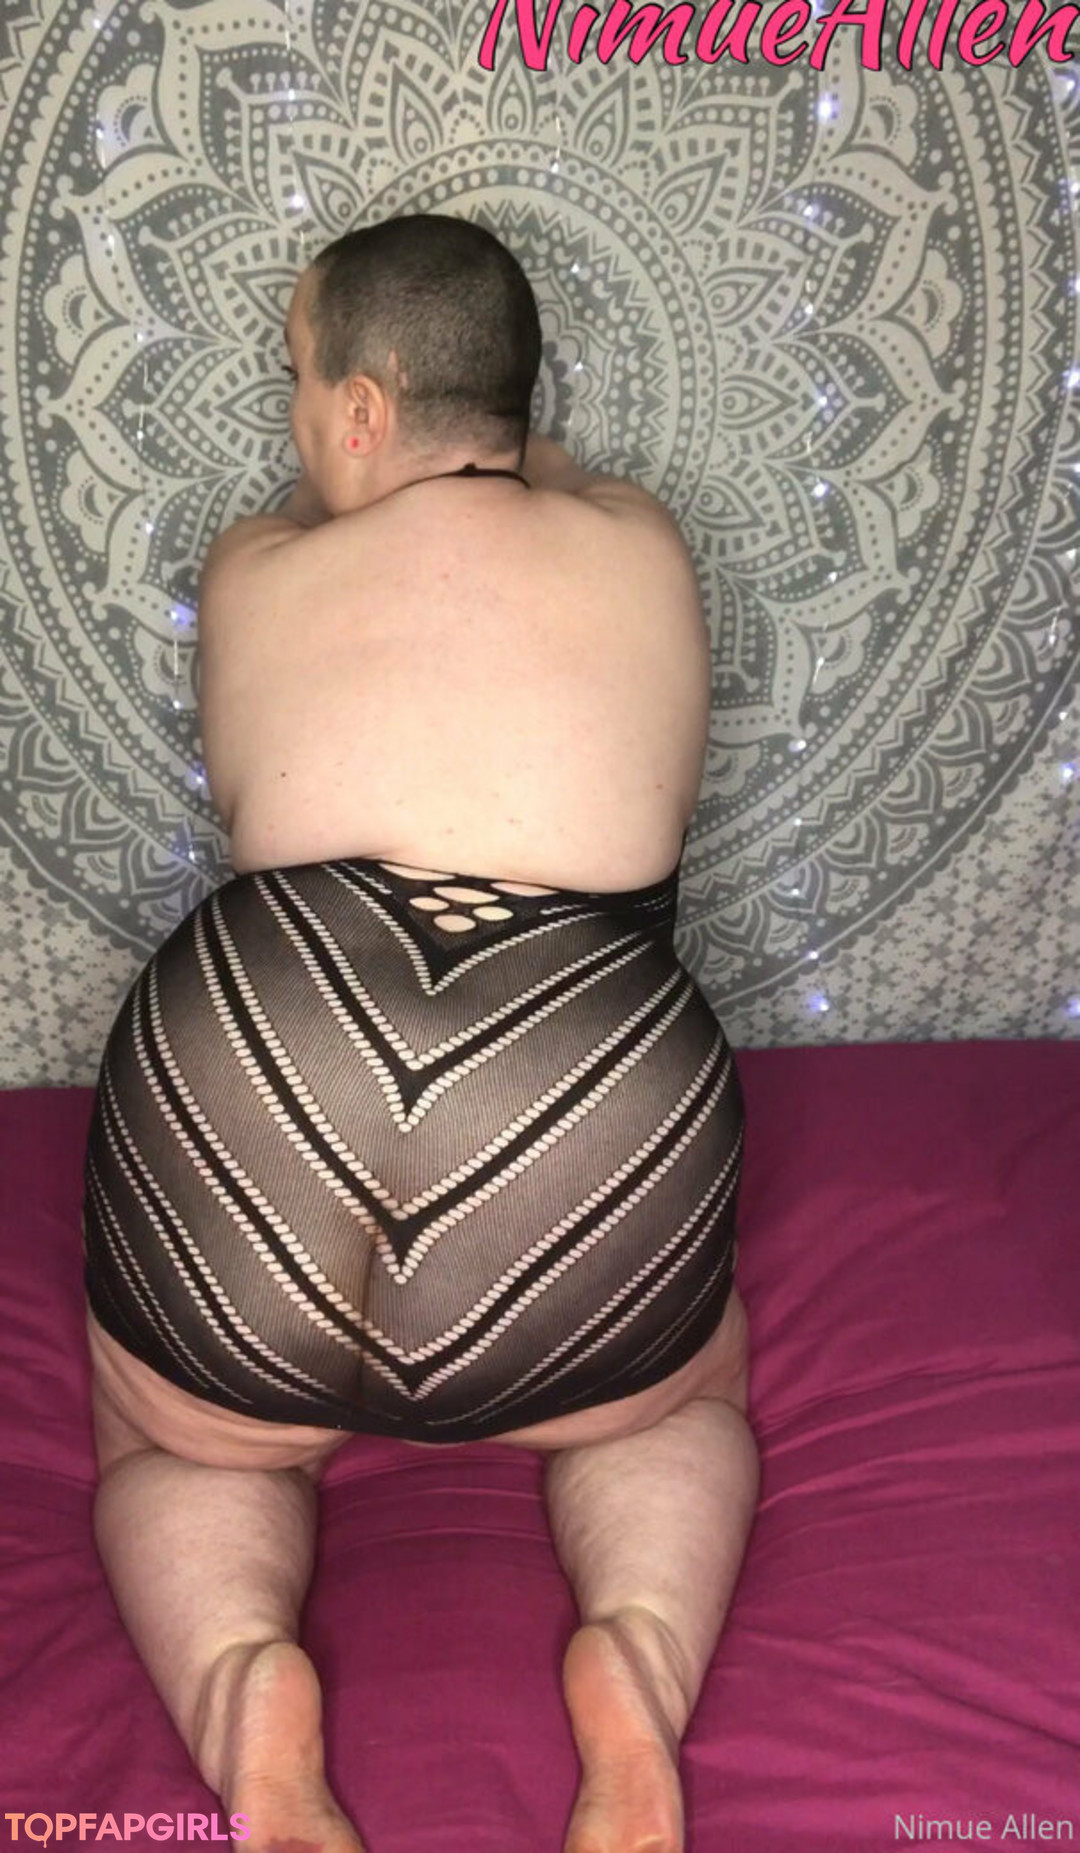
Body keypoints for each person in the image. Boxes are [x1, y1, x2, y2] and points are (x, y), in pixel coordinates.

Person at [81, 212, 759, 1853]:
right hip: (579, 1101)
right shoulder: (642, 542)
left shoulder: (256, 570)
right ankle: (637, 1659)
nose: (292, 427)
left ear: (363, 408)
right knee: (678, 1408)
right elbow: (540, 474)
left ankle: (245, 1681)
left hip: (268, 1058)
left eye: (297, 384)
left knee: (179, 1452)